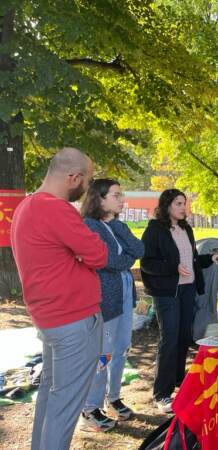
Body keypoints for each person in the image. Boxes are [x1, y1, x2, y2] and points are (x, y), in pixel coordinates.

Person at [11, 147, 107, 450]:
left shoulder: (27, 206)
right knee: (64, 407)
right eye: (88, 180)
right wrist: (81, 256)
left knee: (53, 401)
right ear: (73, 177)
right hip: (75, 322)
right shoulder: (57, 209)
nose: (87, 188)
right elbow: (99, 254)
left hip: (51, 320)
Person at [141, 189, 218, 413]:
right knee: (169, 339)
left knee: (184, 336)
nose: (183, 208)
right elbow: (147, 264)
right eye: (178, 203)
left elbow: (192, 260)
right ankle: (162, 393)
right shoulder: (154, 231)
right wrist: (172, 268)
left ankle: (178, 381)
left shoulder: (186, 228)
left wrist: (209, 259)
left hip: (188, 290)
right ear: (167, 205)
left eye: (184, 203)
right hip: (167, 292)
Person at [79, 179, 145, 431]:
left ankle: (113, 397)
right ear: (100, 198)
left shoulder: (118, 224)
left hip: (126, 292)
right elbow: (106, 260)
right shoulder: (89, 225)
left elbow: (139, 249)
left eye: (121, 195)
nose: (122, 199)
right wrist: (123, 260)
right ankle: (90, 408)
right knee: (103, 353)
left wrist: (117, 228)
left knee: (121, 348)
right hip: (105, 297)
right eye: (116, 195)